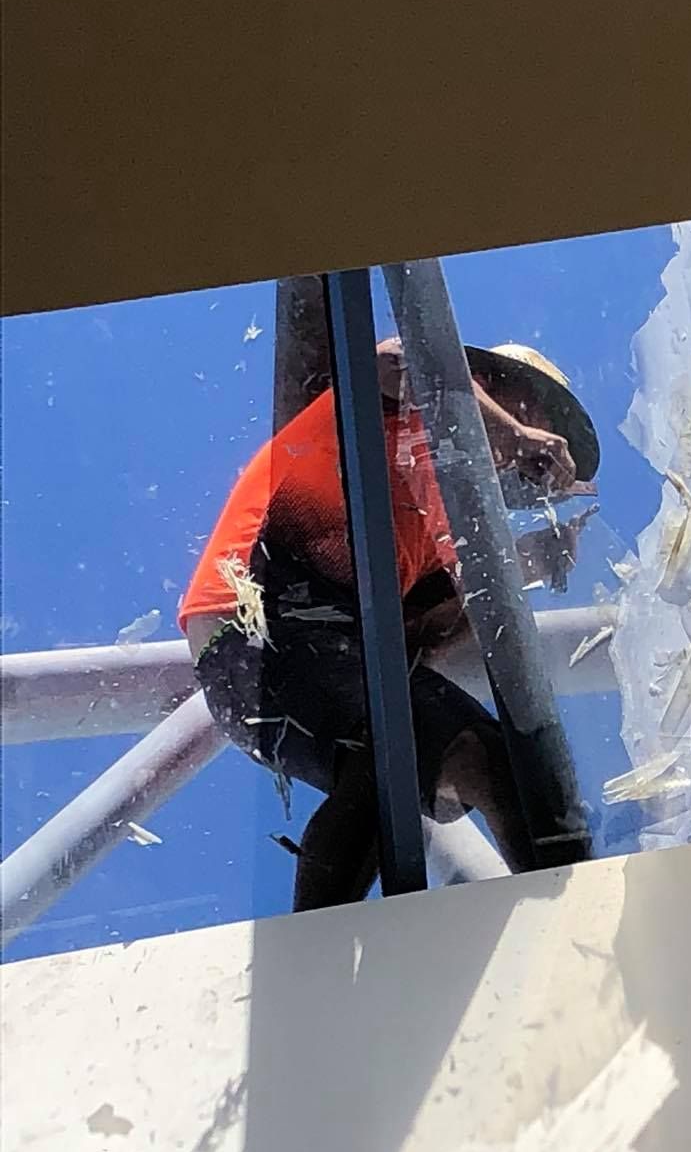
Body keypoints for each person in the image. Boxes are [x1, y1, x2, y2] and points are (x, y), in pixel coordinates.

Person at [180, 338, 600, 908]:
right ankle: (572, 908)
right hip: (257, 614)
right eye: (541, 417)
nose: (538, 453)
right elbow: (401, 357)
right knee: (450, 751)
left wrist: (526, 562)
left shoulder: (430, 528)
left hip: (311, 650)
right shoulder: (389, 409)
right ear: (493, 385)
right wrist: (513, 433)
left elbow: (424, 634)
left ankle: (321, 939)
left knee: (417, 759)